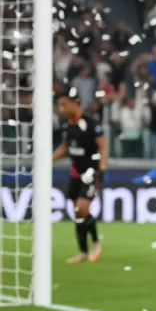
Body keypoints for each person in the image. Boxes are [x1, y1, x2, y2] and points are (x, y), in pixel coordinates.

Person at [52, 90, 107, 263]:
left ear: (74, 103)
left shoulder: (90, 123)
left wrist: (102, 169)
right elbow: (65, 147)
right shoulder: (67, 125)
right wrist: (49, 159)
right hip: (76, 172)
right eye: (59, 105)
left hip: (90, 171)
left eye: (64, 104)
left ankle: (96, 242)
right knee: (77, 212)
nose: (61, 109)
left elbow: (103, 147)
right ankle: (82, 251)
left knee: (82, 207)